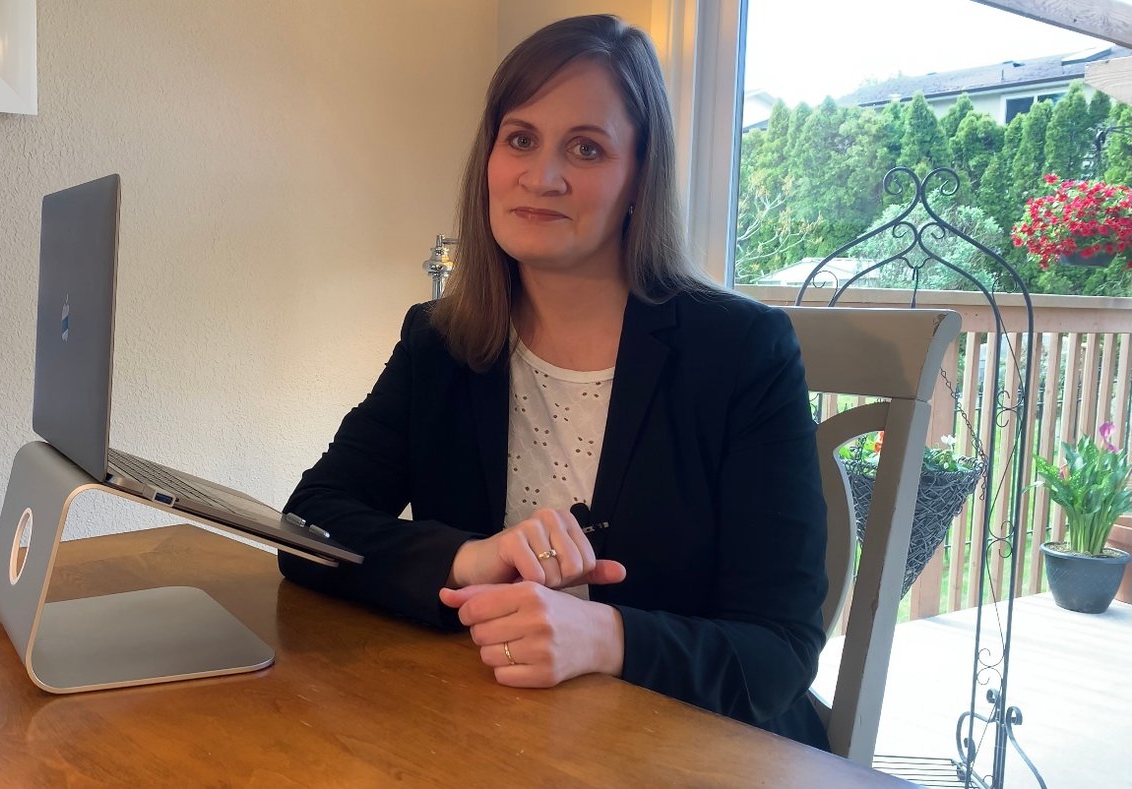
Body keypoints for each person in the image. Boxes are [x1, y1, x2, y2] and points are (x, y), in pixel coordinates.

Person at [278, 14, 829, 749]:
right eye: (521, 138)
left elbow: (779, 651)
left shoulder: (743, 351)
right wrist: (472, 559)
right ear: (490, 158)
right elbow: (308, 525)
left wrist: (608, 636)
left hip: (693, 749)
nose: (542, 176)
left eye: (587, 147)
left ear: (640, 177)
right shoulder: (439, 338)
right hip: (491, 730)